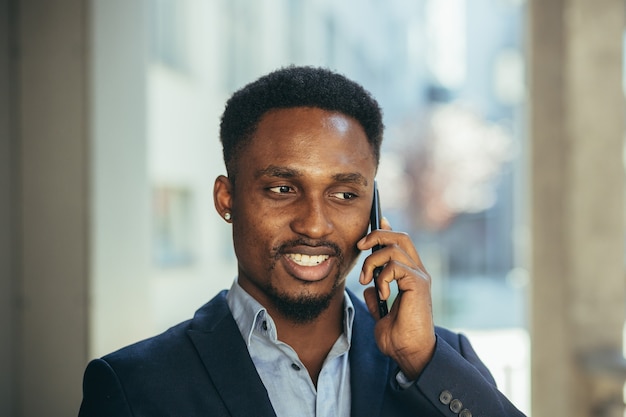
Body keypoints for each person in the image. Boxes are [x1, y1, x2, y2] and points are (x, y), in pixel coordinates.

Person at [78, 66, 526, 417]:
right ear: (226, 198)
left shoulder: (439, 362)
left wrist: (423, 359)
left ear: (373, 210)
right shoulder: (133, 386)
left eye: (345, 195)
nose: (314, 225)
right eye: (282, 189)